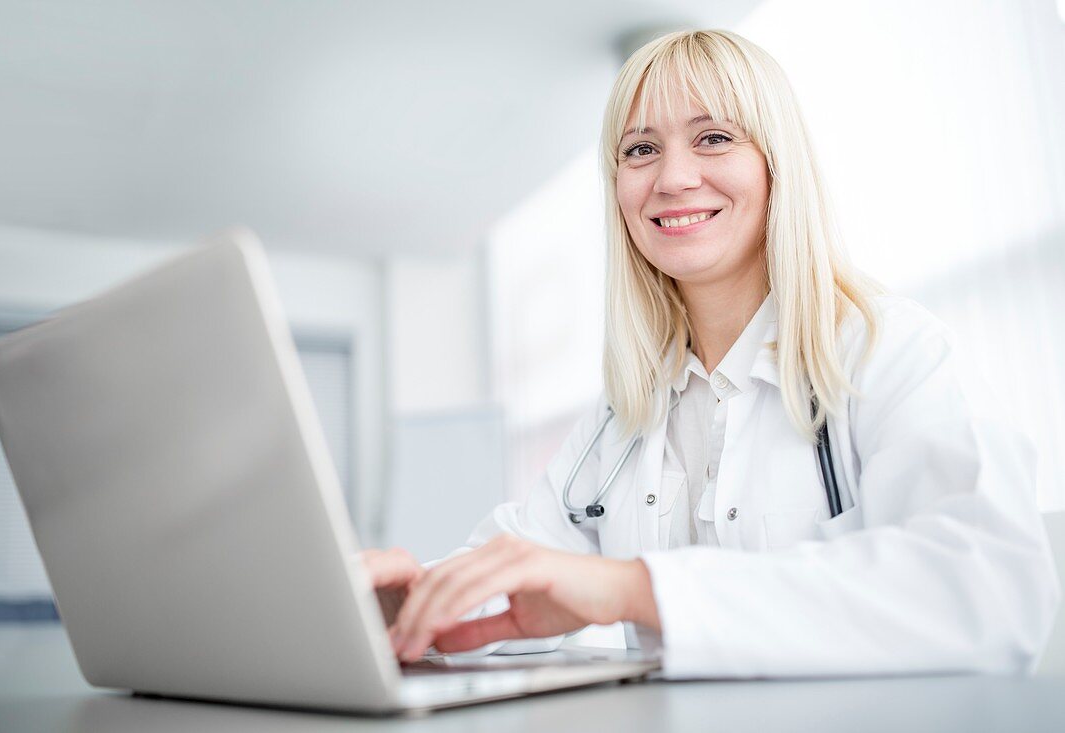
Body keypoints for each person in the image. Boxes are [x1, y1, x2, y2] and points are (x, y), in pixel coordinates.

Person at [363, 29, 1060, 678]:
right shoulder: (627, 411)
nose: (672, 179)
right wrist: (413, 605)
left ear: (775, 164)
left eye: (714, 137)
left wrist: (635, 589)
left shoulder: (887, 349)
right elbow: (523, 564)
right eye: (640, 150)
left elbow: (992, 588)